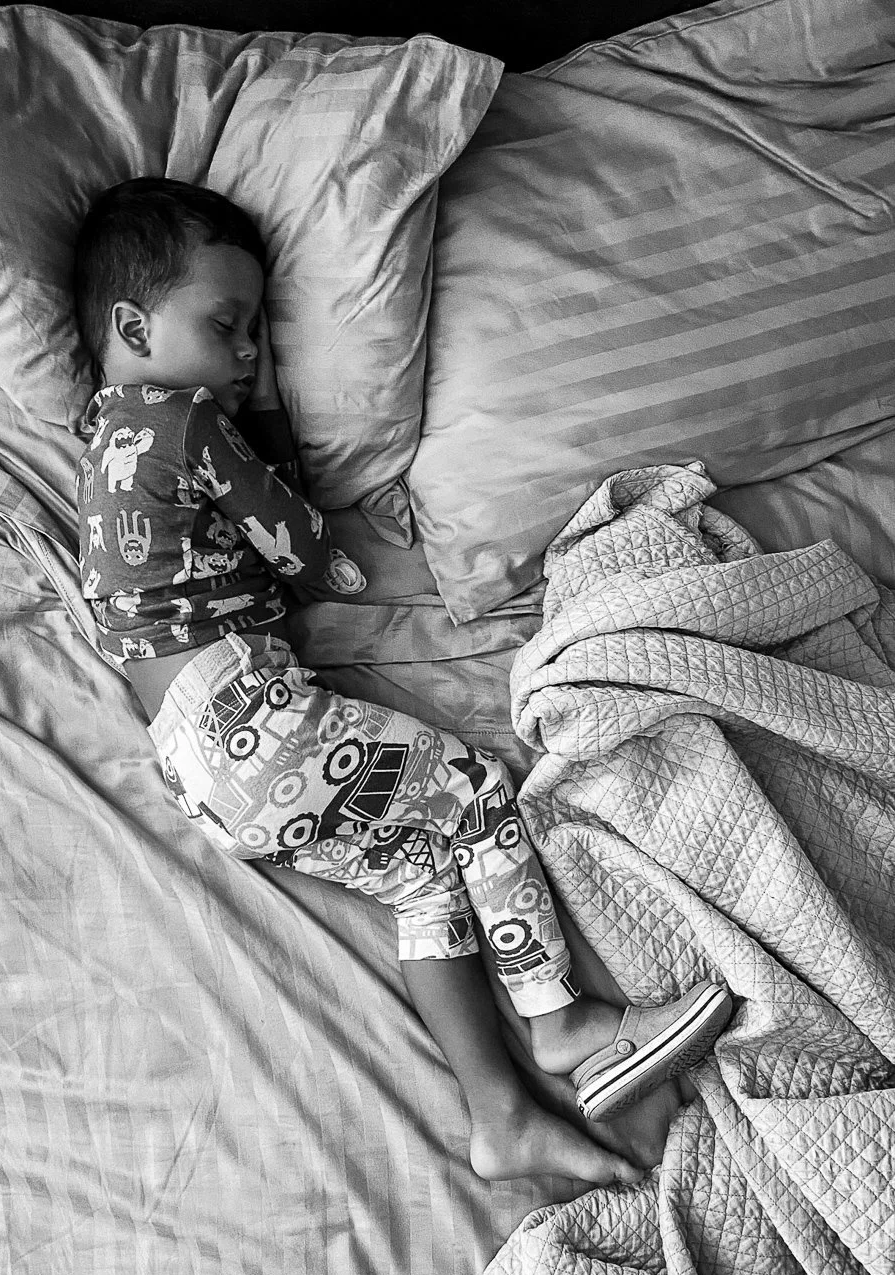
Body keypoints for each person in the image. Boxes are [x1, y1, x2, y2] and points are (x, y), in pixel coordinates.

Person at [71, 176, 732, 1184]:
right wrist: (281, 444)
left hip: (205, 766)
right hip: (249, 713)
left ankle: (498, 1116)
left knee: (427, 879)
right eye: (228, 325)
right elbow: (295, 542)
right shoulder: (181, 418)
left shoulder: (103, 437)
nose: (249, 352)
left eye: (255, 331)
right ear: (133, 323)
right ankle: (560, 1022)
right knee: (474, 792)